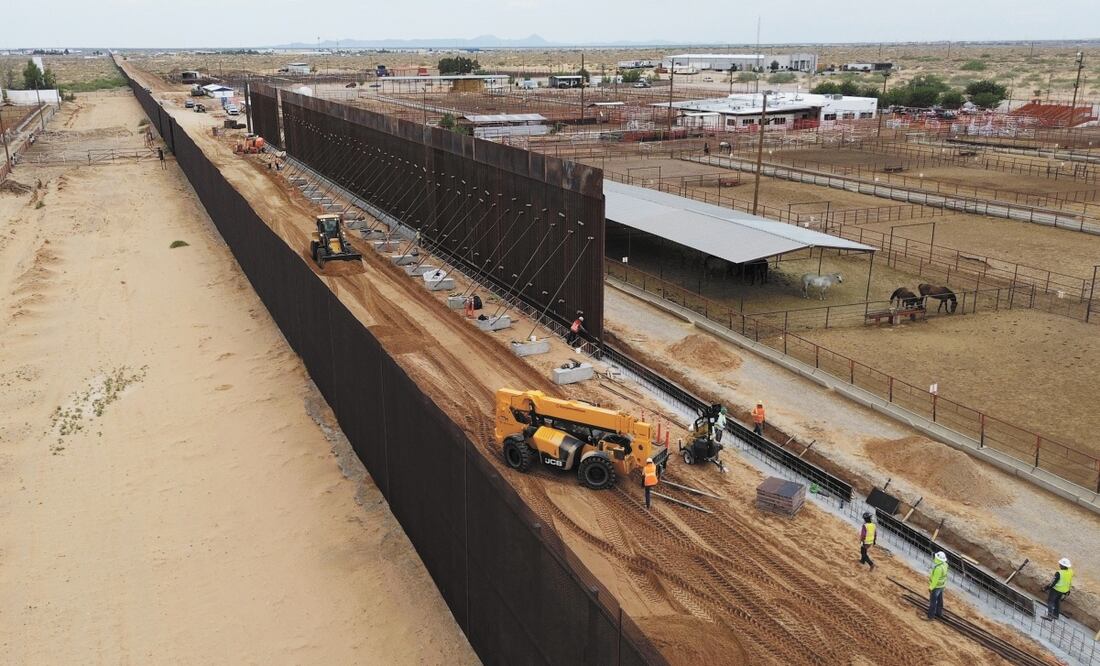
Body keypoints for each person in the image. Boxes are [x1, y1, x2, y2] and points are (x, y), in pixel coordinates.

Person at [927, 551, 949, 620]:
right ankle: (939, 613)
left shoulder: (938, 568)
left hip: (936, 587)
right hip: (941, 586)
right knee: (940, 600)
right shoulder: (945, 565)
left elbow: (935, 580)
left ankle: (930, 616)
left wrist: (931, 587)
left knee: (933, 602)